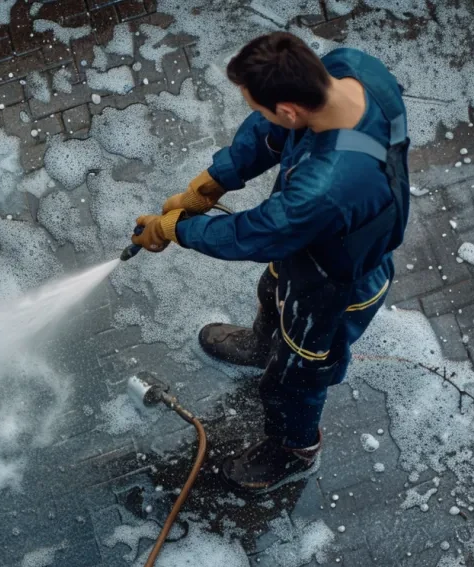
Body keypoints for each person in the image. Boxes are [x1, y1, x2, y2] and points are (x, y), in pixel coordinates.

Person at [130, 32, 410, 493]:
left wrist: (173, 229)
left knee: (295, 378)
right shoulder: (351, 68)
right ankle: (263, 347)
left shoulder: (326, 187)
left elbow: (255, 232)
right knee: (272, 292)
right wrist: (215, 181)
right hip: (312, 249)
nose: (259, 115)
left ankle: (293, 449)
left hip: (337, 284)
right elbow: (272, 133)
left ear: (290, 109)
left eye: (259, 106)